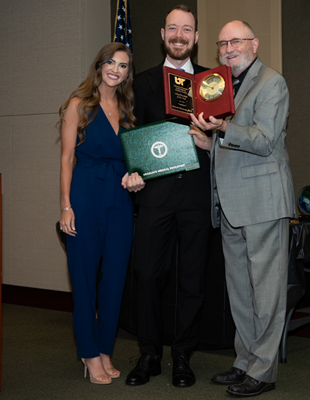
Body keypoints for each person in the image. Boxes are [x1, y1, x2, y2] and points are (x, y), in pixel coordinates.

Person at [189, 20, 296, 397]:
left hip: (263, 202)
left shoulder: (272, 82)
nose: (227, 49)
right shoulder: (224, 85)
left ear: (254, 44)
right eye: (221, 44)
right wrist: (210, 143)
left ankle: (263, 372)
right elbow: (235, 143)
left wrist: (221, 129)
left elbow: (265, 140)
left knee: (266, 292)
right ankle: (245, 361)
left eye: (235, 41)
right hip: (232, 204)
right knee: (240, 291)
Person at [121, 5, 211, 389]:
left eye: (186, 29)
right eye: (172, 28)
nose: (179, 35)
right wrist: (132, 172)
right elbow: (130, 136)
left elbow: (227, 137)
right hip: (154, 197)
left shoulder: (212, 81)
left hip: (196, 196)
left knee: (192, 278)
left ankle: (182, 357)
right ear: (162, 34)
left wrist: (211, 139)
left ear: (195, 37)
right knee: (146, 275)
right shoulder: (140, 83)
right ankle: (149, 354)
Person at [58, 42, 144, 385]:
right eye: (111, 62)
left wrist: (136, 178)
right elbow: (66, 158)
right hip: (85, 195)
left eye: (123, 65)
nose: (116, 69)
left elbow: (133, 161)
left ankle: (105, 349)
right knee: (83, 278)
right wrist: (66, 206)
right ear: (99, 65)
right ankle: (89, 354)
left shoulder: (127, 109)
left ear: (127, 74)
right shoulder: (78, 105)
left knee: (115, 278)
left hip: (120, 198)